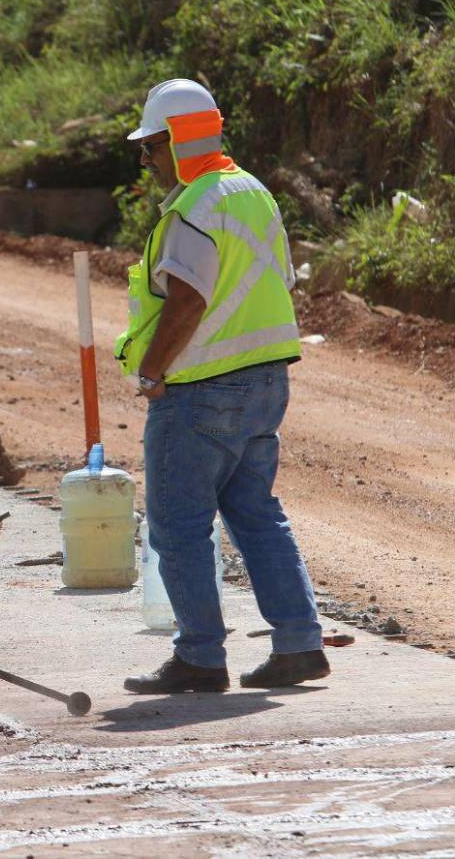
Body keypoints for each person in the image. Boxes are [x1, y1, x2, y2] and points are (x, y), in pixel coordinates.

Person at [115, 79, 327, 694]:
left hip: (200, 389)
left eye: (150, 147)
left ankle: (201, 657)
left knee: (177, 526)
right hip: (265, 381)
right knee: (256, 514)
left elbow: (188, 297)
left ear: (176, 141)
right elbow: (276, 278)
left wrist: (152, 369)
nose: (147, 160)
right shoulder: (253, 193)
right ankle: (298, 644)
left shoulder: (194, 207)